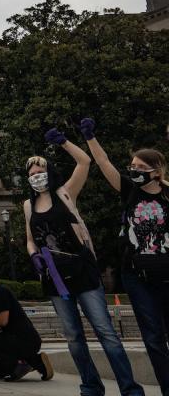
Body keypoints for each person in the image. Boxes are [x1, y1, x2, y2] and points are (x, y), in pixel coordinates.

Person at [23, 127, 143, 396]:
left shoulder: (66, 193)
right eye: (31, 175)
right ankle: (90, 386)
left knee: (105, 331)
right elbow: (30, 238)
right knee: (74, 338)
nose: (36, 177)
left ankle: (130, 388)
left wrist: (64, 141)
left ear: (50, 172)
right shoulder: (28, 206)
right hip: (54, 276)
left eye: (40, 171)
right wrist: (33, 255)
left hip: (82, 269)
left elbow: (84, 162)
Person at [82, 117, 169, 394]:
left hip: (167, 274)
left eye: (141, 168)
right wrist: (90, 138)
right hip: (137, 276)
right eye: (132, 166)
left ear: (156, 172)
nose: (134, 170)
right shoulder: (129, 190)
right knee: (153, 338)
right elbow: (105, 163)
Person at [0, 266, 51, 381]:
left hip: (24, 338)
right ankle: (38, 362)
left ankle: (18, 365)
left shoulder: (1, 292)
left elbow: (2, 321)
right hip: (16, 339)